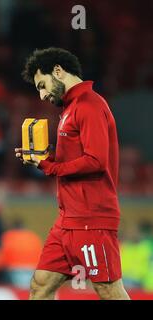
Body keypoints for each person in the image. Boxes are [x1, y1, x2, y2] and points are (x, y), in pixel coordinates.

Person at [16, 47, 130, 300]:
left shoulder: (89, 105)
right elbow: (78, 158)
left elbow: (96, 161)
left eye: (42, 85)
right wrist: (45, 158)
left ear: (58, 71)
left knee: (108, 290)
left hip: (92, 218)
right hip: (68, 220)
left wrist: (49, 166)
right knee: (40, 285)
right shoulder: (70, 108)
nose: (43, 94)